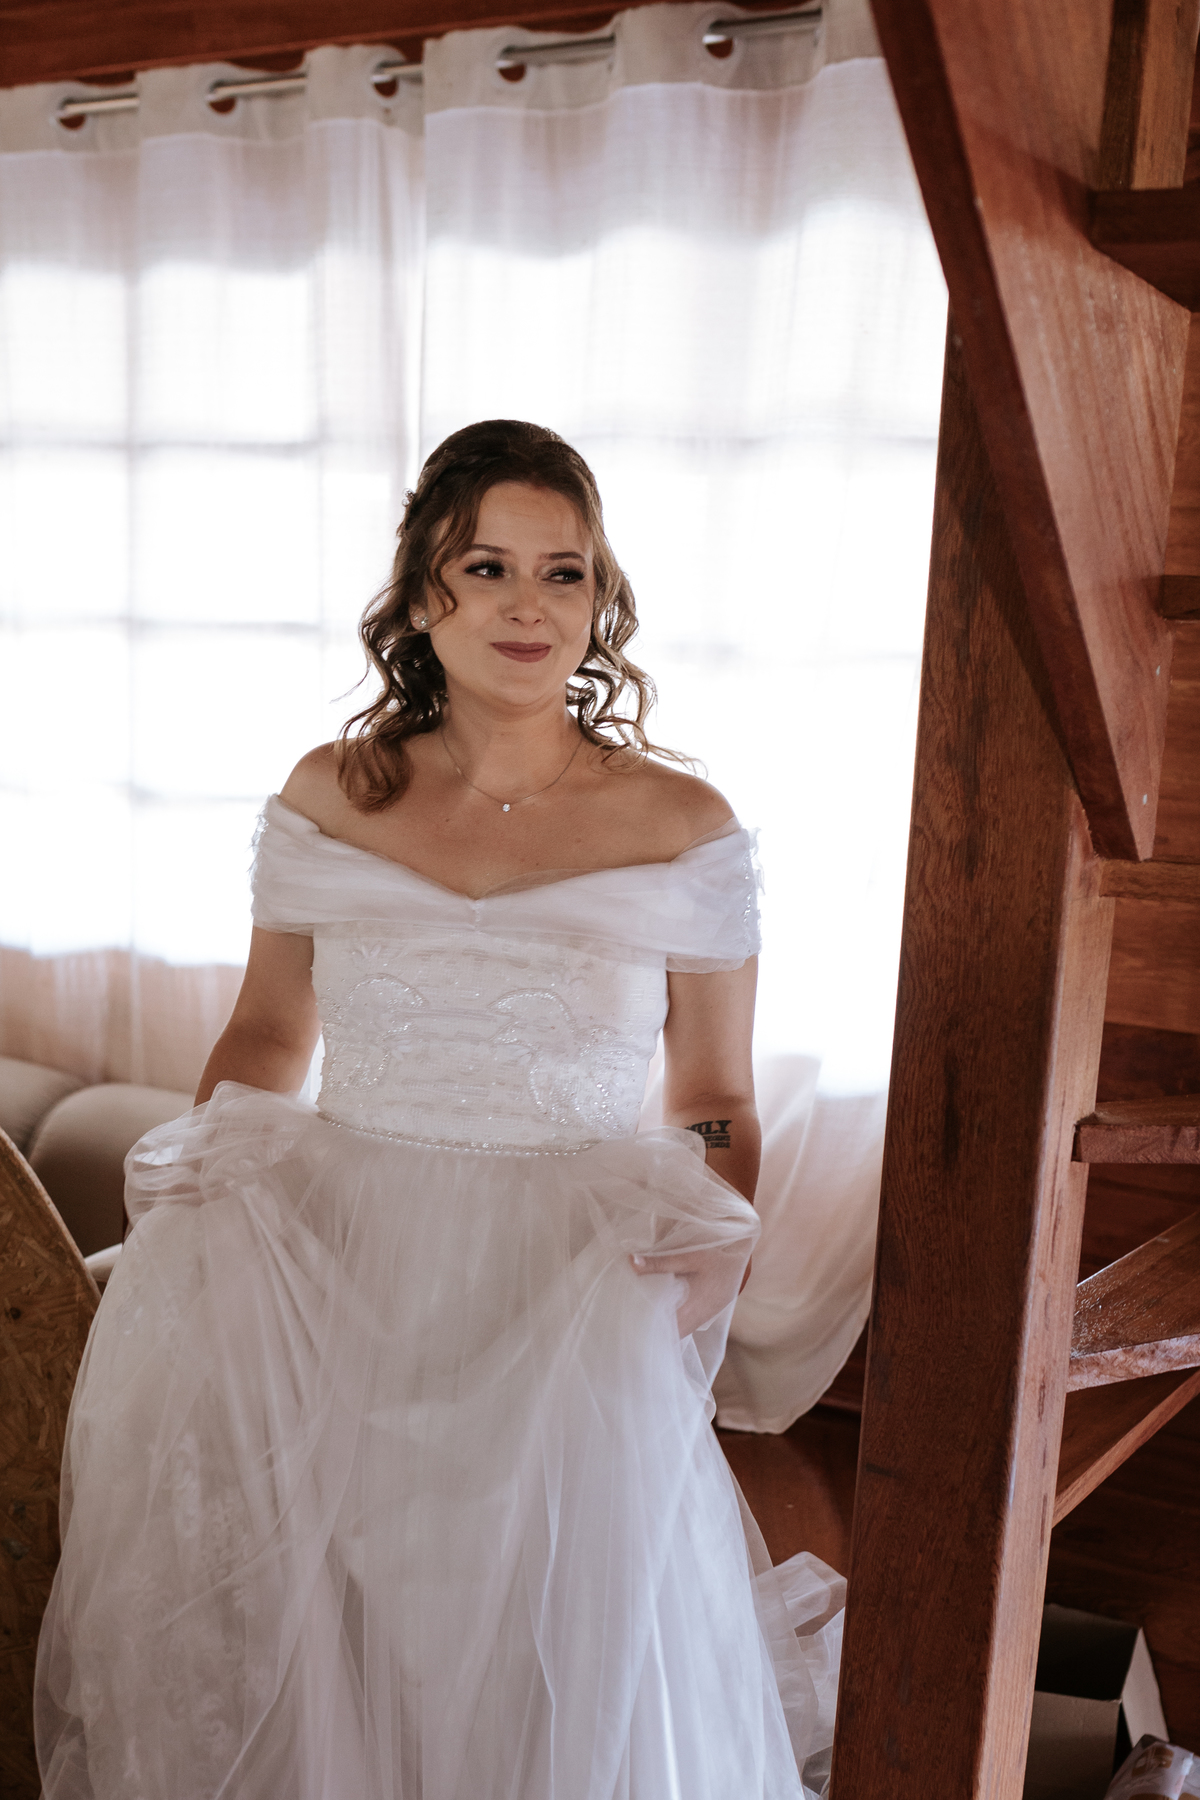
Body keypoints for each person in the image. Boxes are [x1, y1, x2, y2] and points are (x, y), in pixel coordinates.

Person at [35, 420, 843, 1799]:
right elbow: (269, 1031)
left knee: (555, 1644)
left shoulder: (683, 826)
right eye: (488, 567)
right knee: (335, 1635)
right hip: (342, 1260)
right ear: (424, 596)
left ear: (600, 599)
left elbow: (713, 1095)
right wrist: (206, 1172)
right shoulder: (330, 796)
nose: (530, 606)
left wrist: (718, 1230)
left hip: (568, 1284)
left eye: (564, 572)